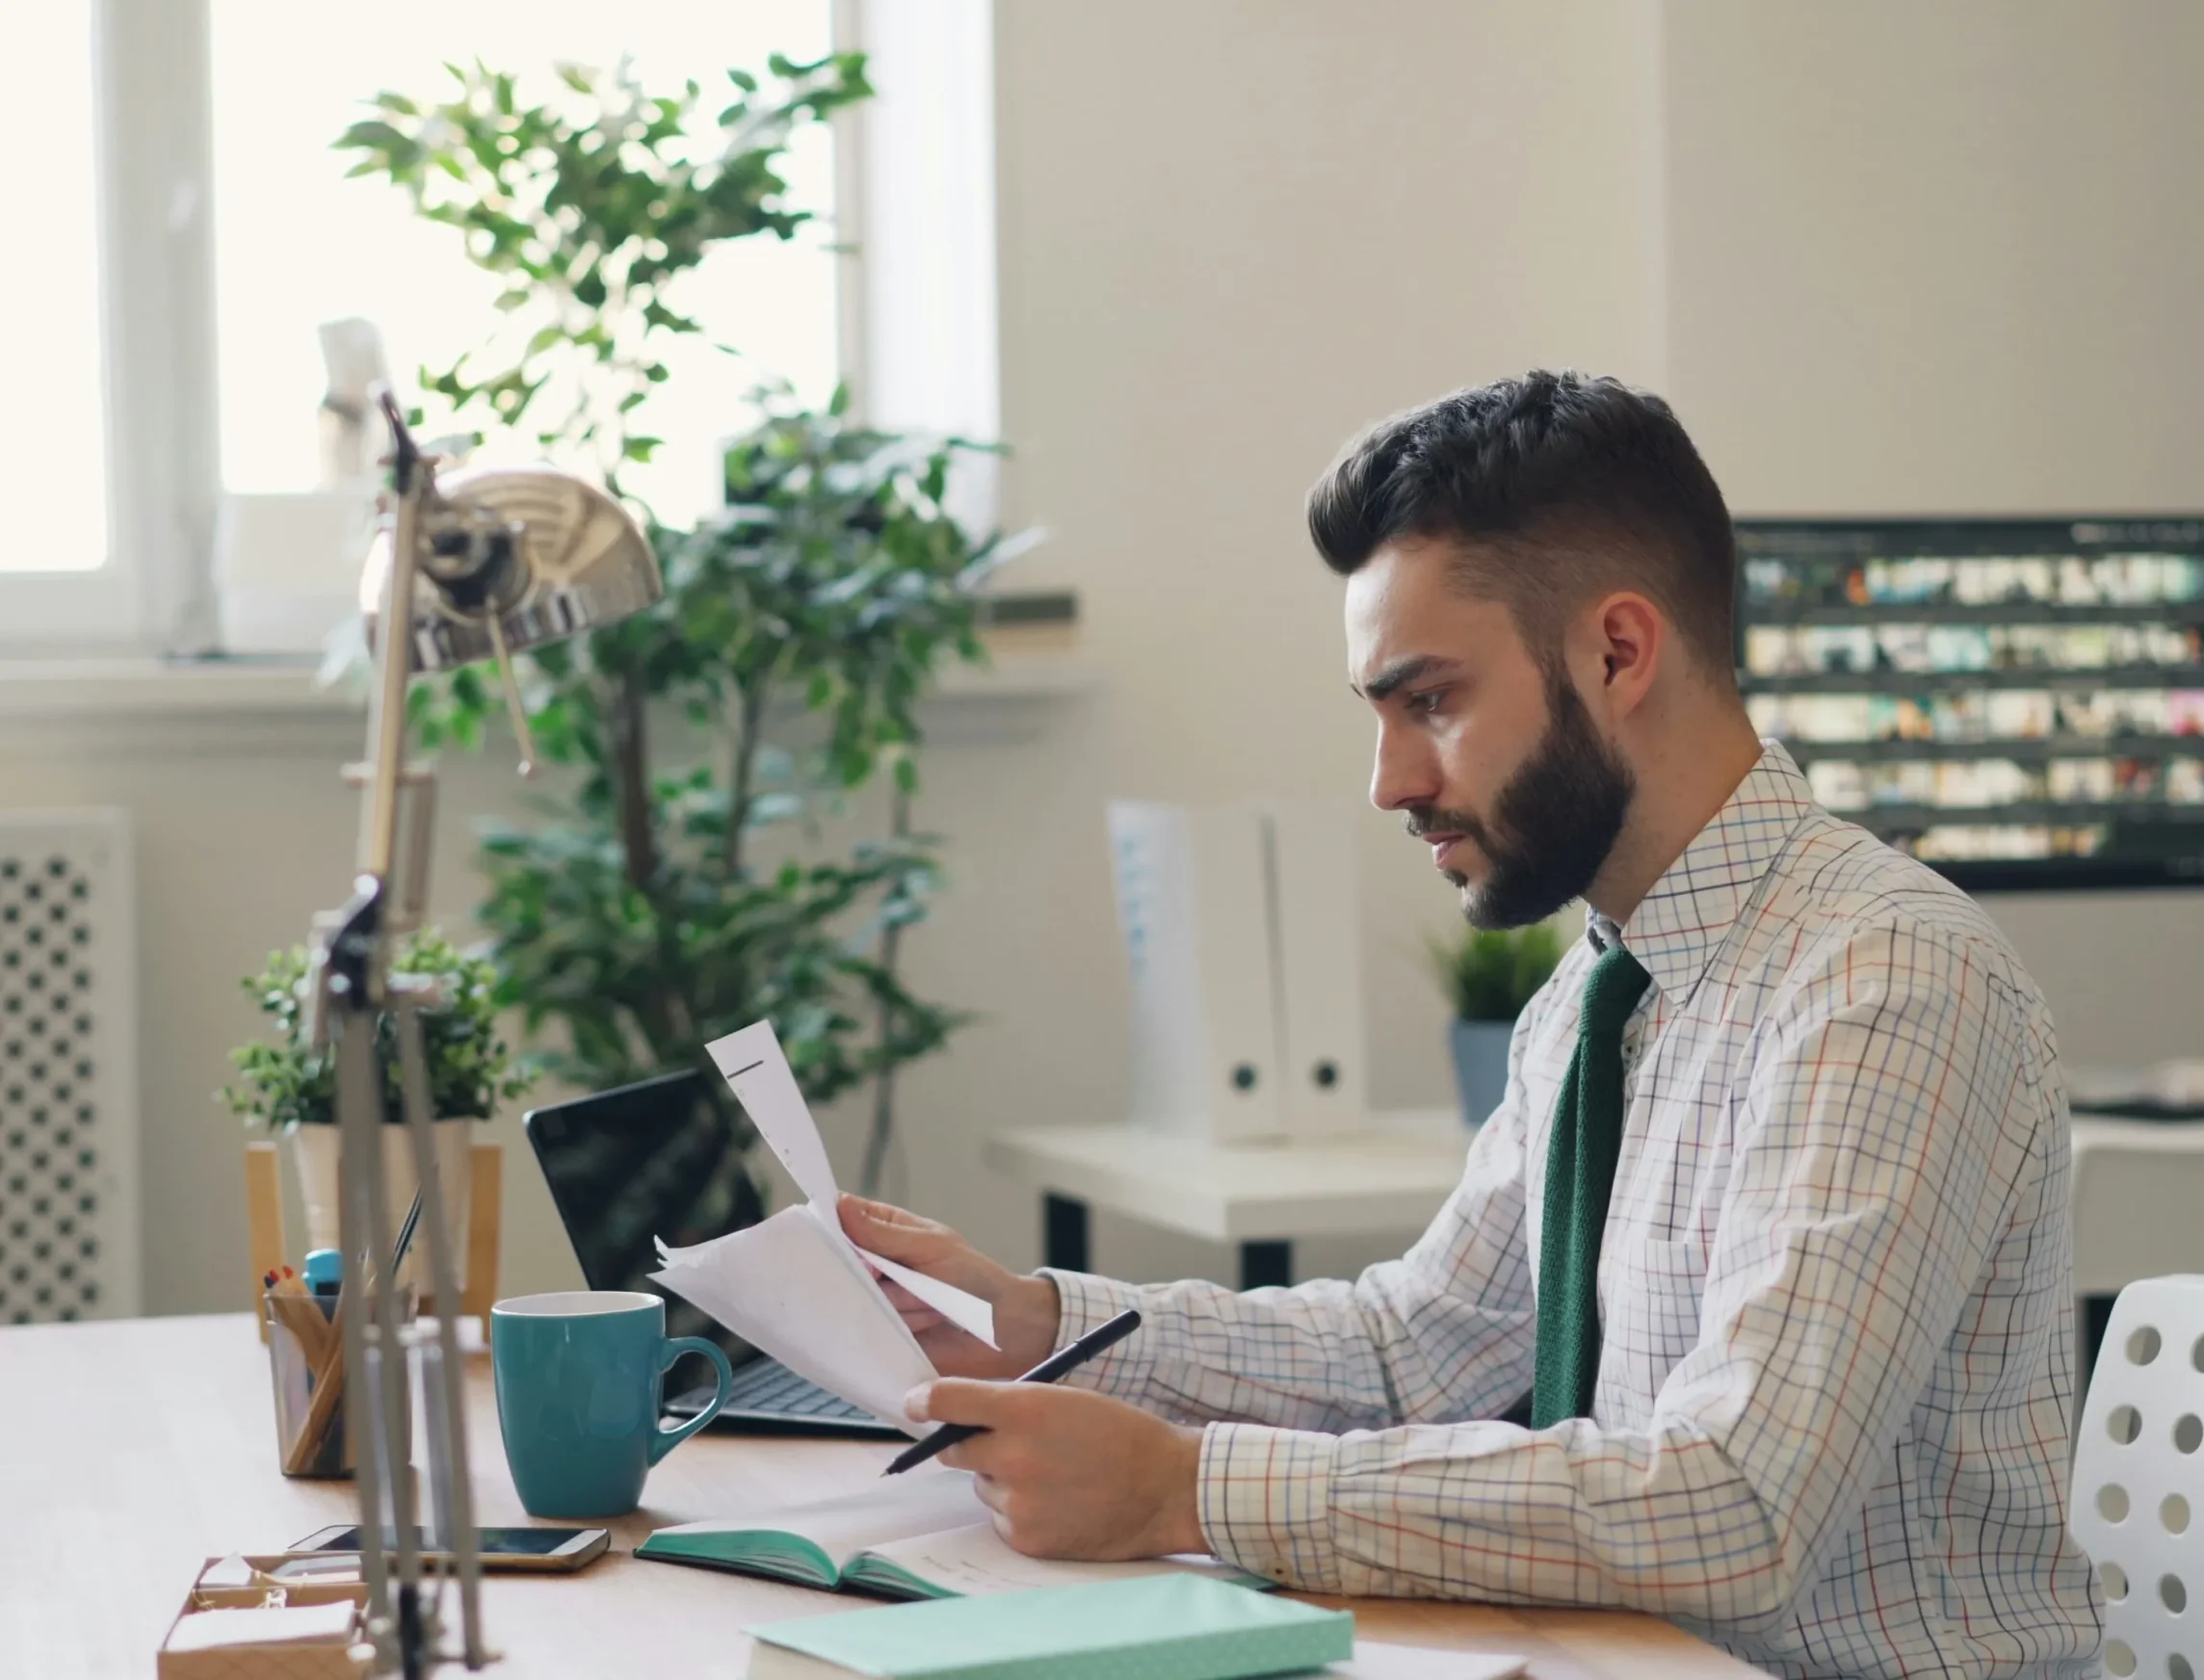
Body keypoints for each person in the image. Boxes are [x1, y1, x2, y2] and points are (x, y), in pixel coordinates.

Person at [841, 372, 2103, 1679]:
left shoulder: (1885, 981)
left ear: (1618, 654)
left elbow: (1736, 1505)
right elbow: (1413, 1352)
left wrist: (1186, 1491)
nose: (1390, 781)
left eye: (1430, 701)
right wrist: (1043, 1326)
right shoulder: (1598, 995)